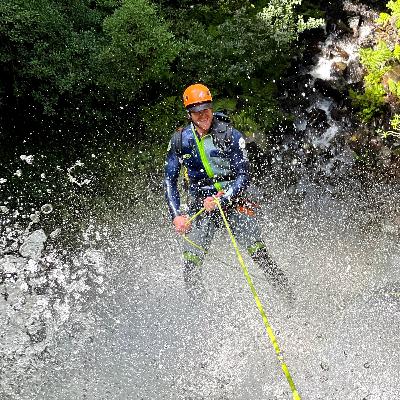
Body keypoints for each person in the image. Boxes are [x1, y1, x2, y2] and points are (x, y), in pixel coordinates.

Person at [164, 83, 291, 298]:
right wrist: (176, 216)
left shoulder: (231, 135)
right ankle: (199, 313)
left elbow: (243, 175)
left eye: (206, 109)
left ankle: (287, 296)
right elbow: (170, 180)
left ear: (211, 107)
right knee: (190, 266)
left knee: (259, 254)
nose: (202, 115)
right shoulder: (180, 140)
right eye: (197, 111)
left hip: (231, 199)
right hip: (199, 205)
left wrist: (224, 197)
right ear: (189, 113)